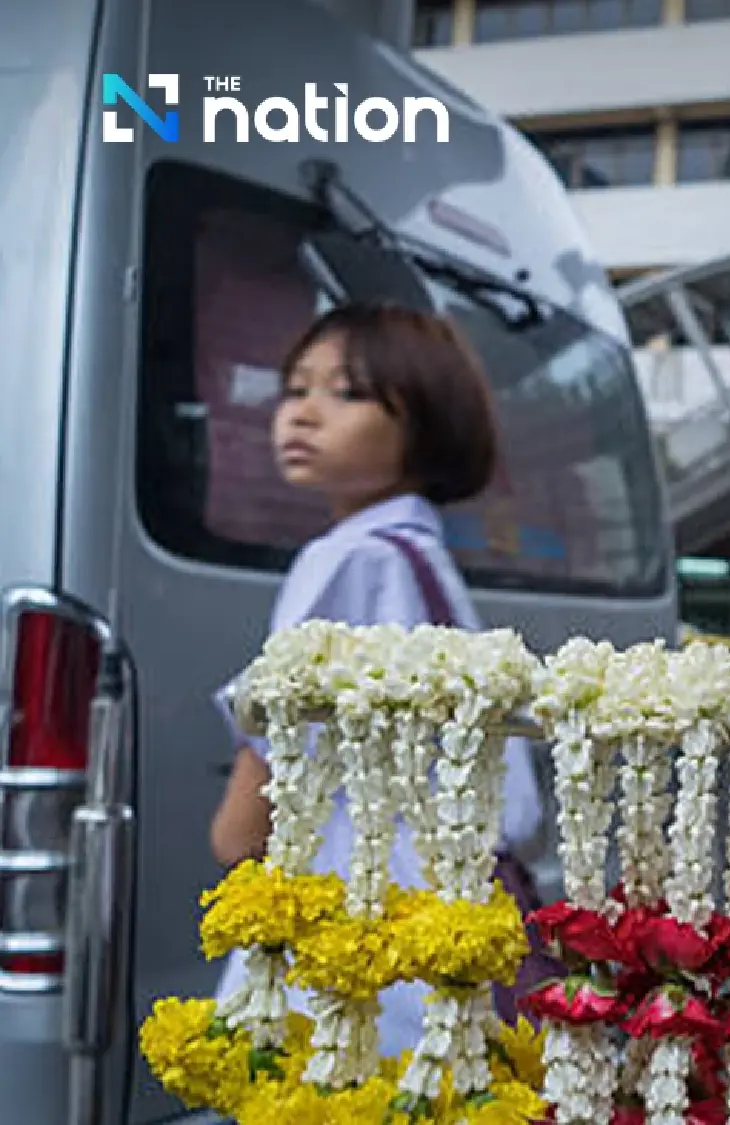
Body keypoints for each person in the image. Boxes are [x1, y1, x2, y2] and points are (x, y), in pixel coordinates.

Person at [207, 303, 545, 1053]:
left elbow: (265, 762)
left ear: (422, 424)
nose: (304, 411)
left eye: (348, 392)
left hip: (360, 921)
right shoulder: (420, 559)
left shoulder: (349, 558)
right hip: (440, 915)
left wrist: (235, 838)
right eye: (295, 388)